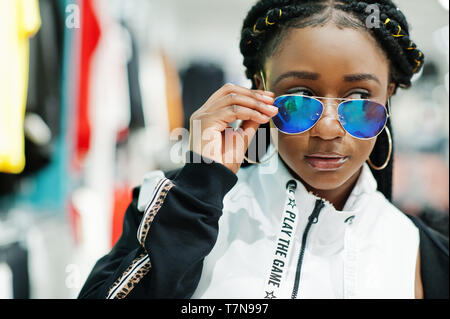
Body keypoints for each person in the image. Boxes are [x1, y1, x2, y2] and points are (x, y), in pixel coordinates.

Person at [78, 0, 448, 299]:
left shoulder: (422, 254)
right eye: (300, 97)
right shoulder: (181, 211)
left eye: (359, 98)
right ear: (260, 88)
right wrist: (199, 186)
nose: (329, 128)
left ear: (390, 96)